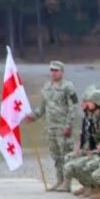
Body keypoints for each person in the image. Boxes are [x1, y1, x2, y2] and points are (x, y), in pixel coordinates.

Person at [29, 61, 79, 190]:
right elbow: (43, 108)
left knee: (65, 155)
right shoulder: (47, 87)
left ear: (62, 72)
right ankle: (59, 180)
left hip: (63, 127)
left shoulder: (68, 87)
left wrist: (68, 125)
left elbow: (73, 107)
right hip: (51, 127)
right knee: (56, 156)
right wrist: (33, 117)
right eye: (52, 70)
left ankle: (67, 183)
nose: (53, 73)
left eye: (56, 70)